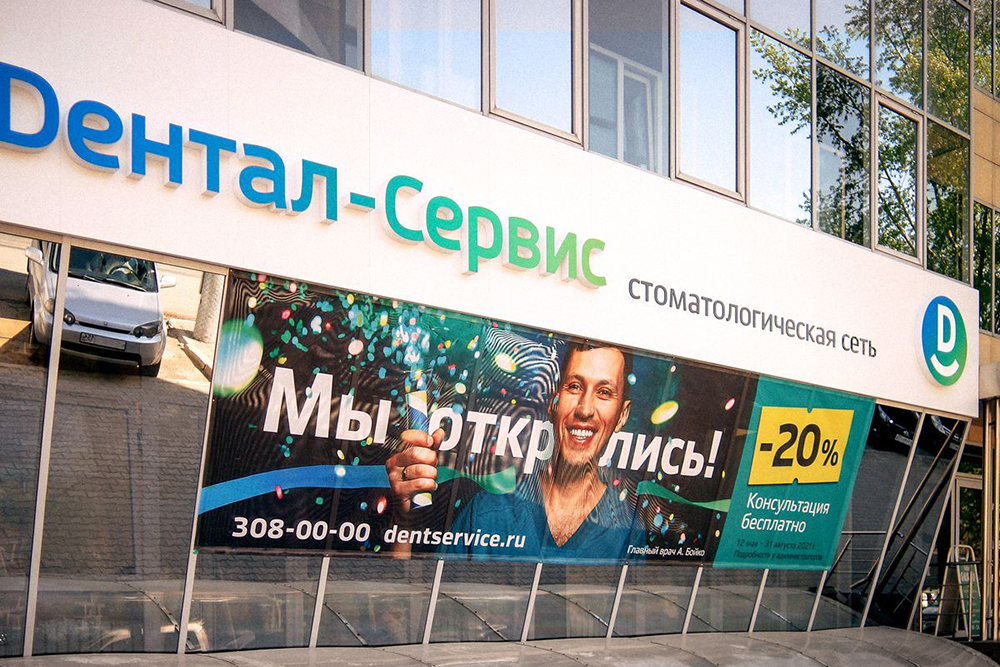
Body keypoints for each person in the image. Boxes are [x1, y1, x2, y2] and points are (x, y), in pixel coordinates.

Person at [385, 341, 644, 561]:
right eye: (574, 387)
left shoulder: (627, 532)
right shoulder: (486, 513)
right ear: (553, 402)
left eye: (604, 392)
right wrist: (403, 520)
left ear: (622, 415)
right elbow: (421, 600)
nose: (585, 409)